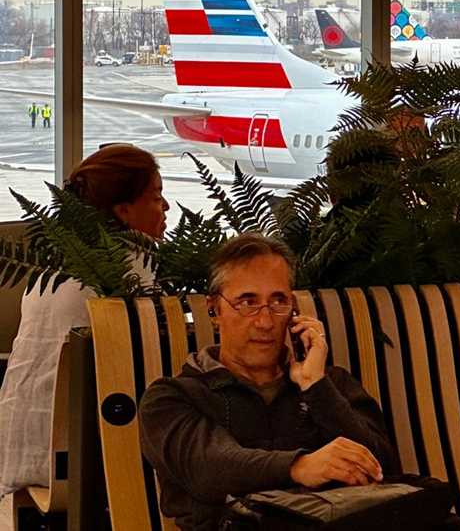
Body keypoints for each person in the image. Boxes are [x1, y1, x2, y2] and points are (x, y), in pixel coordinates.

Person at [139, 234, 397, 531]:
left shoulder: (331, 385)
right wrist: (300, 466)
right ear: (214, 310)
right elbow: (211, 467)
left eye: (278, 301)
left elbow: (383, 468)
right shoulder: (173, 398)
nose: (265, 322)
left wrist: (315, 386)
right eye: (247, 302)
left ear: (294, 311)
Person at [0, 144, 168, 496]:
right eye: (156, 196)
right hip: (87, 459)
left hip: (22, 443)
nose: (166, 207)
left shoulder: (54, 266)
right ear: (123, 211)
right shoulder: (128, 273)